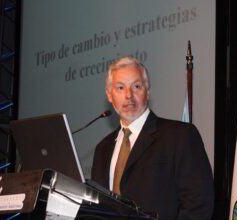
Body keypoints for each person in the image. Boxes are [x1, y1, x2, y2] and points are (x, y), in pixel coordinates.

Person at [91, 56, 214, 220]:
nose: (128, 95)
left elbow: (198, 204)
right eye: (120, 88)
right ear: (109, 95)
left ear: (148, 92)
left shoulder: (180, 136)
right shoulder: (102, 149)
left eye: (136, 86)